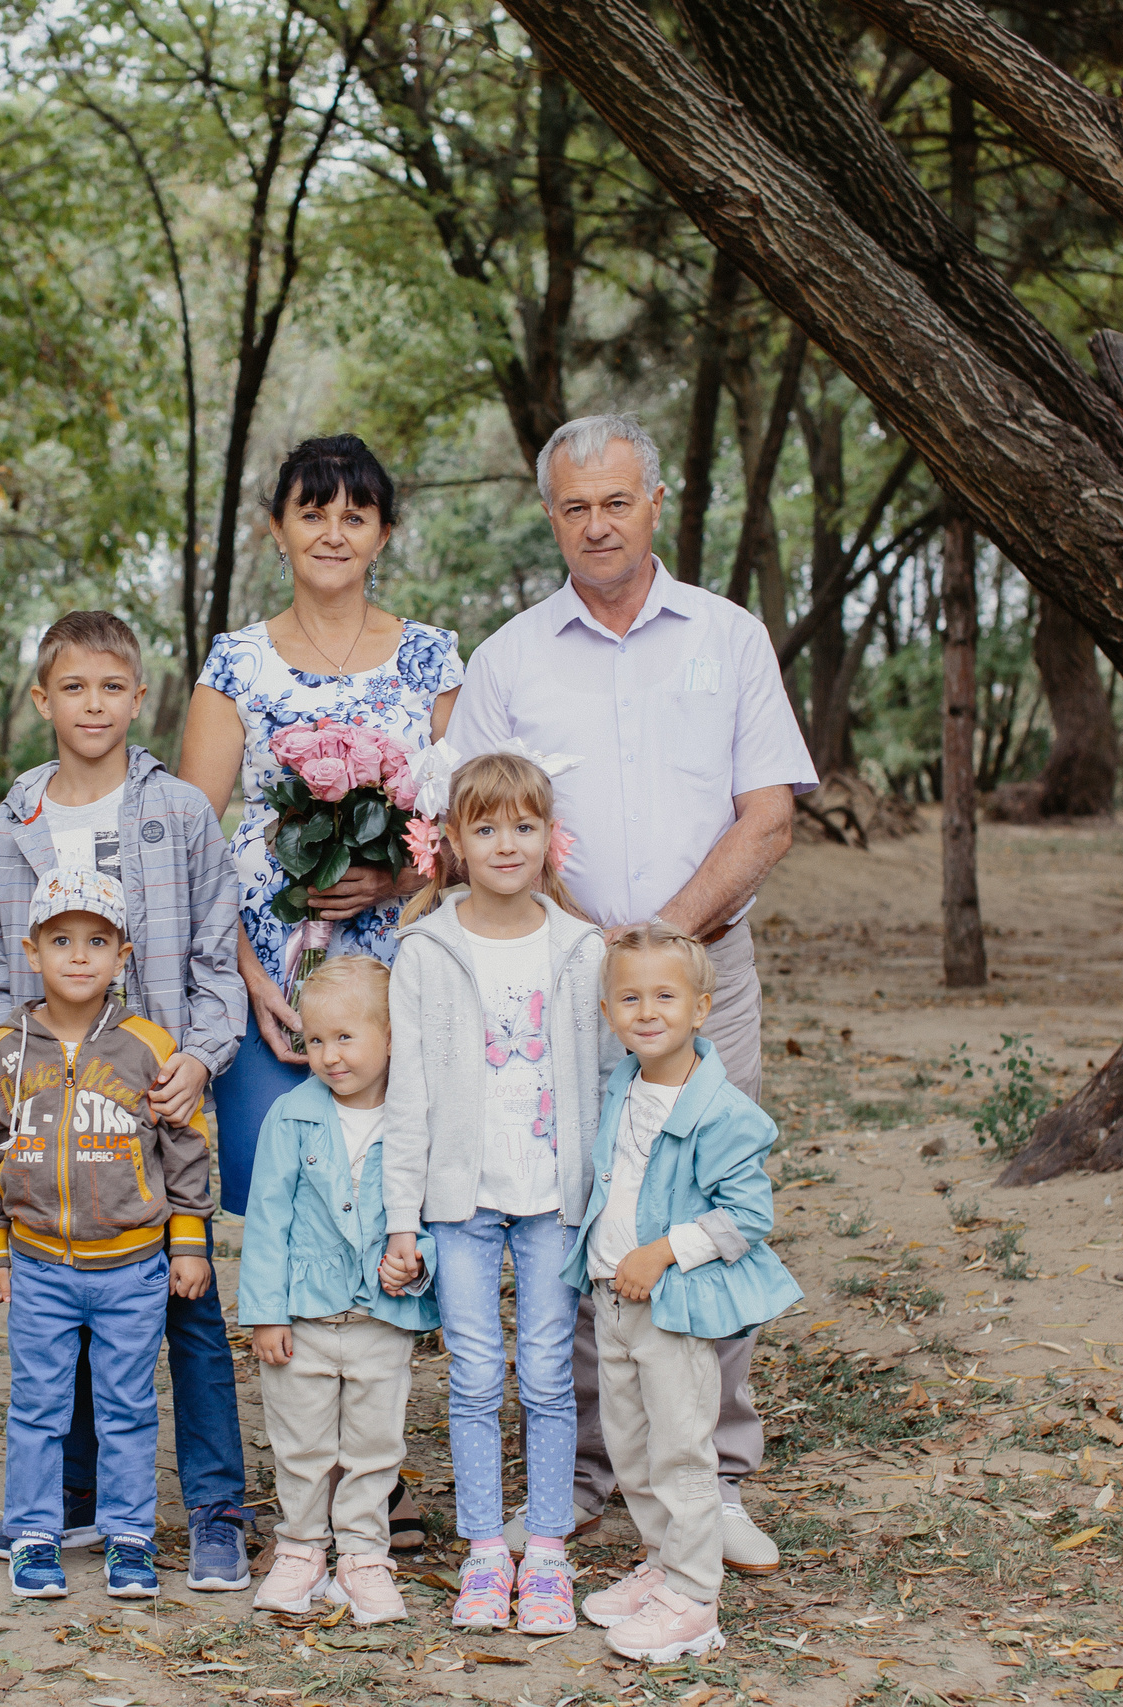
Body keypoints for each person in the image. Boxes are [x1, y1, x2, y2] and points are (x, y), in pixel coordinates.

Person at [445, 412, 816, 1573]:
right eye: (573, 507)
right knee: (579, 1209)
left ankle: (714, 1475)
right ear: (548, 515)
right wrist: (584, 947)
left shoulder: (730, 636)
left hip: (706, 975)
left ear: (655, 502)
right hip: (558, 985)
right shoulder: (507, 658)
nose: (596, 525)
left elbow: (769, 814)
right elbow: (472, 829)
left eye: (616, 502)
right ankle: (600, 1471)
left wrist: (669, 937)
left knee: (707, 1203)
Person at [181, 433, 461, 1550]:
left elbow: (465, 818)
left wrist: (397, 873)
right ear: (279, 529)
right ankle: (303, 1472)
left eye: (355, 513)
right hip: (265, 990)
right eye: (312, 511)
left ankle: (375, 1477)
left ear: (383, 530)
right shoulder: (236, 664)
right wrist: (248, 975)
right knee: (292, 1210)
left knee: (383, 1203)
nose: (333, 531)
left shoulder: (433, 659)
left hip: (398, 980)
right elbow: (190, 836)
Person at [0, 611, 254, 1590]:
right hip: (48, 1109)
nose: (93, 705)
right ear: (43, 700)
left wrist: (202, 1060)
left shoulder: (177, 816)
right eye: (72, 688)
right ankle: (69, 1504)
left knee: (186, 1306)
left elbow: (217, 960)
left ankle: (214, 1508)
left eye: (111, 687)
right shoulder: (14, 828)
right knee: (62, 1302)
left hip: (159, 1107)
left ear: (139, 698)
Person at [378, 751, 614, 1636]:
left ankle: (545, 1549)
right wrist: (404, 1216)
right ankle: (485, 1549)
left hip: (556, 1201)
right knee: (476, 1375)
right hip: (460, 1202)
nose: (506, 843)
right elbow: (410, 1097)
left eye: (523, 825)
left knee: (549, 1373)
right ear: (452, 841)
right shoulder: (427, 950)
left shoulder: (581, 950)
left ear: (551, 838)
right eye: (485, 827)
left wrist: (607, 1203)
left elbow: (606, 1079)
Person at [0, 867, 217, 1602]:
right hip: (40, 1262)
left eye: (96, 941)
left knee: (128, 1404)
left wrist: (190, 1239)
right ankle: (35, 1531)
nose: (79, 956)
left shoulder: (146, 1045)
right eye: (61, 940)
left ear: (123, 954)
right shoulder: (6, 1051)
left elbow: (186, 1144)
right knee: (38, 1403)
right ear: (31, 950)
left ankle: (128, 1534)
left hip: (132, 1265)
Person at [560, 922, 803, 1662]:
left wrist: (663, 1252)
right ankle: (663, 1563)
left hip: (671, 1308)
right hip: (613, 1302)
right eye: (629, 997)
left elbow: (749, 1217)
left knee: (680, 1451)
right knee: (630, 1447)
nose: (647, 1010)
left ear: (700, 1008)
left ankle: (694, 1598)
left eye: (665, 995)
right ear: (608, 1013)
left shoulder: (721, 1112)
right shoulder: (621, 1088)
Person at [240, 957, 436, 1625]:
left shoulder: (414, 1123)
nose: (329, 1054)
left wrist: (418, 1262)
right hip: (305, 1313)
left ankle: (362, 1554)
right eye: (316, 1039)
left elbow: (435, 1215)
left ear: (390, 1036)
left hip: (384, 1315)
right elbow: (267, 1218)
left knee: (374, 1443)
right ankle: (300, 1547)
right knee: (301, 1439)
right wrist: (264, 1312)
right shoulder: (291, 1116)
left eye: (346, 1037)